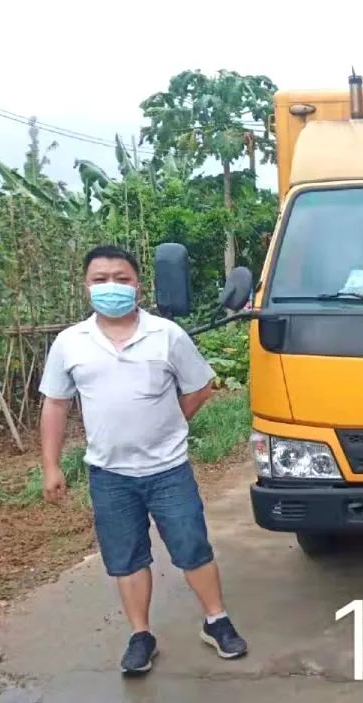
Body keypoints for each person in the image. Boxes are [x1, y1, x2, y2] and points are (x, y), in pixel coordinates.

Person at [39, 245, 247, 674]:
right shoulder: (70, 343)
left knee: (192, 547)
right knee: (126, 557)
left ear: (138, 285)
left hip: (168, 470)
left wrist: (172, 422)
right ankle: (141, 635)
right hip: (109, 474)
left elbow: (200, 386)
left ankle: (217, 621)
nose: (111, 287)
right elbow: (55, 404)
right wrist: (51, 466)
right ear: (85, 287)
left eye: (122, 278)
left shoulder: (166, 335)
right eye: (100, 280)